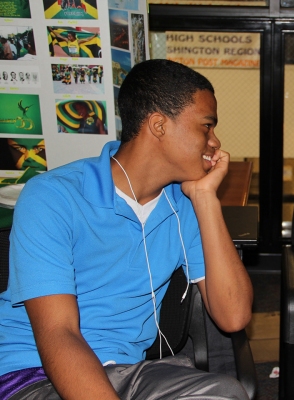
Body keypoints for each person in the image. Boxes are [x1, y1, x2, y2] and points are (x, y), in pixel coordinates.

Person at [0, 59, 253, 399]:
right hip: (36, 373)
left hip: (124, 371)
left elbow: (233, 316)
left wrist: (206, 199)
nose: (215, 142)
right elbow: (59, 333)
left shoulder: (186, 205)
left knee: (226, 393)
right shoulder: (54, 196)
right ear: (159, 125)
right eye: (206, 126)